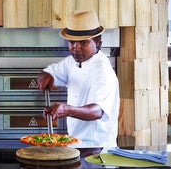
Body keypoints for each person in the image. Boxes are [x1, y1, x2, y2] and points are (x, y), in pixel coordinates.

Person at [36, 10, 120, 148]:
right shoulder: (72, 61)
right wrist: (46, 76)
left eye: (83, 42)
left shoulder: (103, 72)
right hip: (75, 144)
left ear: (97, 41)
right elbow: (54, 72)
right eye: (72, 42)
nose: (76, 48)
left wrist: (67, 109)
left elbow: (97, 111)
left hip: (97, 149)